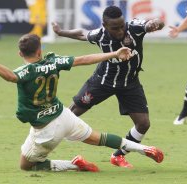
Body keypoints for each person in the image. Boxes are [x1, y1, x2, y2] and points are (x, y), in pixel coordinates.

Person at [0, 34, 164, 172]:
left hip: (46, 130)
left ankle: (75, 164)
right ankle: (143, 148)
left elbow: (10, 76)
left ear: (19, 53)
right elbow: (84, 59)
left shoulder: (26, 72)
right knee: (99, 138)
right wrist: (114, 54)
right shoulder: (54, 61)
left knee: (25, 166)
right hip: (64, 115)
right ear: (40, 51)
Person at [52, 5, 165, 168]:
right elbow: (82, 34)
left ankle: (118, 156)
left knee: (143, 123)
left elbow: (154, 23)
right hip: (102, 81)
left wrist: (156, 23)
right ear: (104, 26)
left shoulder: (134, 28)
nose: (120, 31)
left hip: (129, 83)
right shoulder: (100, 35)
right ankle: (44, 142)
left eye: (121, 26)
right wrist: (61, 32)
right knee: (71, 114)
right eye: (115, 28)